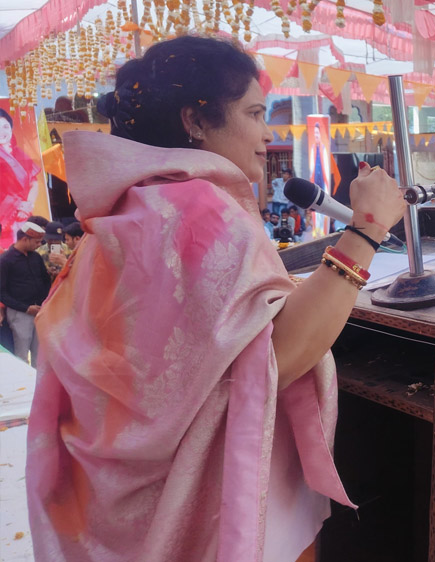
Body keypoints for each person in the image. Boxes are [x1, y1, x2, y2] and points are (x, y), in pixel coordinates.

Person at [26, 37, 408, 561]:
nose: (267, 133)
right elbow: (274, 359)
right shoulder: (197, 208)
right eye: (254, 113)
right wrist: (366, 231)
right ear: (196, 121)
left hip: (111, 506)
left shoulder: (134, 206)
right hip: (209, 513)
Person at [0, 222, 50, 365]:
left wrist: (44, 303)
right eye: (36, 242)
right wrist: (26, 308)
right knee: (21, 353)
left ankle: (38, 379)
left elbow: (45, 281)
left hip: (39, 311)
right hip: (20, 313)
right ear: (25, 239)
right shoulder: (6, 260)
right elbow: (2, 292)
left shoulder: (36, 257)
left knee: (39, 353)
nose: (39, 245)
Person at [0, 107, 42, 248]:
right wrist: (17, 205)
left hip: (24, 214)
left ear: (11, 128)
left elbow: (33, 183)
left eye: (5, 127)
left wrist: (27, 206)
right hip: (5, 216)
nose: (2, 132)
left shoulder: (19, 153)